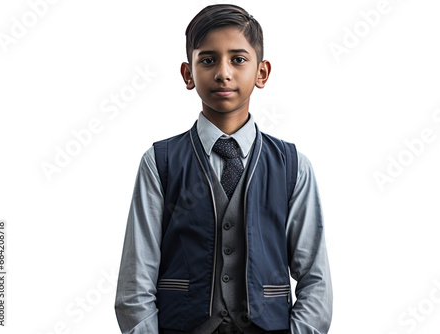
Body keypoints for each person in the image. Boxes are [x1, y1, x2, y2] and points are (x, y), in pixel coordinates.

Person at [114, 4, 332, 334]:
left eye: (238, 59)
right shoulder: (160, 163)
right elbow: (135, 284)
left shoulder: (292, 166)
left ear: (262, 72)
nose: (223, 72)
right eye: (208, 59)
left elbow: (316, 280)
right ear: (188, 74)